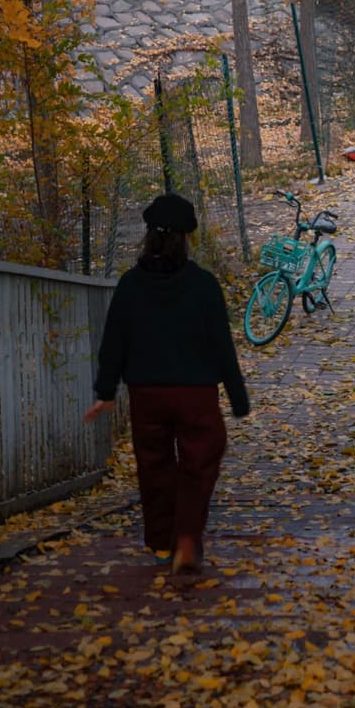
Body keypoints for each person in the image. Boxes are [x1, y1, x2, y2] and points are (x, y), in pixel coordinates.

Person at [83, 193, 249, 574]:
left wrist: (105, 392)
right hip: (196, 393)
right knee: (200, 460)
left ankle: (161, 545)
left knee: (154, 466)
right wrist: (237, 396)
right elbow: (222, 344)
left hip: (147, 393)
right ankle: (187, 536)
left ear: (149, 238)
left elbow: (114, 342)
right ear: (186, 239)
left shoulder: (130, 285)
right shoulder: (204, 285)